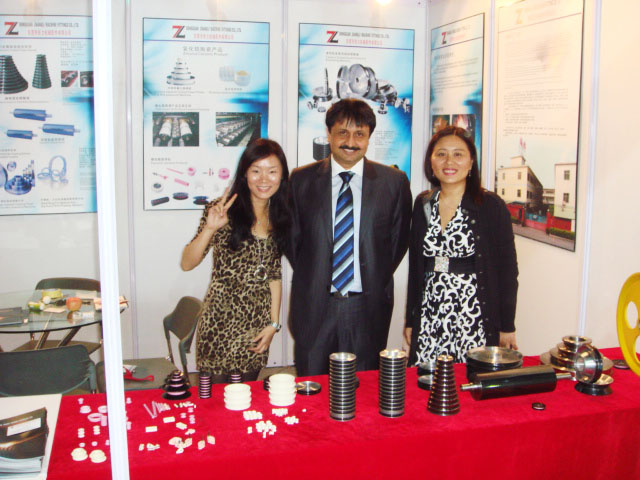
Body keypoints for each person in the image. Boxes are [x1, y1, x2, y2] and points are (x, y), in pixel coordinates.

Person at [288, 98, 412, 376]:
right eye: (342, 132)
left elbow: (397, 242)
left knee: (365, 384)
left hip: (367, 306)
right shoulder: (301, 180)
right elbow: (293, 241)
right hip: (315, 303)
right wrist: (318, 269)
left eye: (359, 134)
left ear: (369, 137)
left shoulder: (394, 182)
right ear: (329, 133)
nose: (350, 142)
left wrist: (371, 272)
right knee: (313, 383)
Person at [404, 126, 518, 366]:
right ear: (431, 161)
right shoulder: (423, 203)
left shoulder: (491, 206)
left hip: (473, 312)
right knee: (428, 380)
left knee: (470, 379)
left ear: (471, 162)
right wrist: (411, 320)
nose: (449, 161)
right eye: (441, 154)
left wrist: (507, 326)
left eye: (458, 154)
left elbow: (508, 271)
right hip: (431, 311)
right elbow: (416, 268)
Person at [181, 138, 290, 383]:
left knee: (246, 395)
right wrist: (209, 228)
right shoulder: (222, 209)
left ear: (282, 175)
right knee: (215, 398)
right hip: (220, 321)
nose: (264, 179)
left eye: (272, 171)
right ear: (245, 174)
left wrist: (273, 324)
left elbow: (274, 275)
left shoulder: (281, 215)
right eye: (256, 171)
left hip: (257, 325)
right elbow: (187, 263)